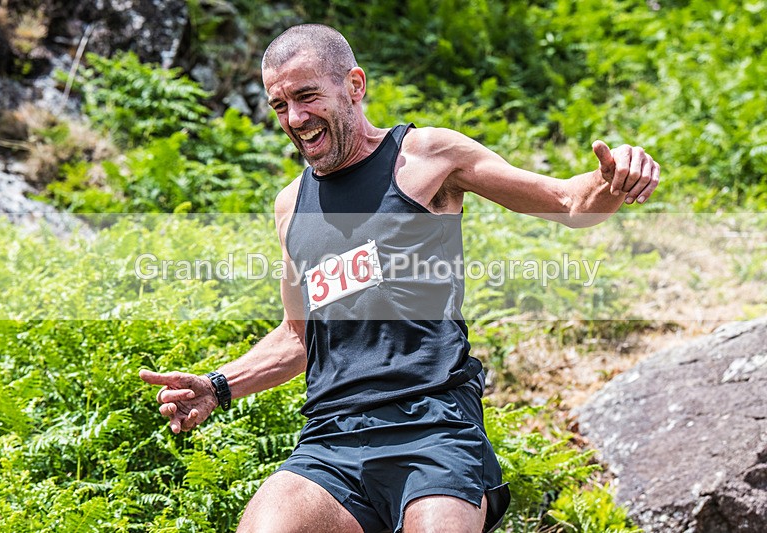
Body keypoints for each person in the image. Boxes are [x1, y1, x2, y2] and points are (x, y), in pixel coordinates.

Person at [139, 24, 660, 533]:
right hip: (332, 441)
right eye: (280, 106)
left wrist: (615, 177)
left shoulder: (428, 157)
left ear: (354, 85)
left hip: (433, 428)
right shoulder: (292, 206)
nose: (295, 118)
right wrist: (217, 385)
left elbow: (569, 202)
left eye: (306, 97)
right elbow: (299, 335)